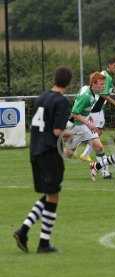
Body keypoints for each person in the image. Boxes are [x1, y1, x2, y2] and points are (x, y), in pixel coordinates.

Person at [13, 66, 72, 253]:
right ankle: (43, 243)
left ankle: (24, 231)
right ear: (69, 83)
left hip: (35, 151)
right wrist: (69, 136)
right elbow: (57, 131)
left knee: (49, 193)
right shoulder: (61, 102)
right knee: (53, 195)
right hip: (49, 153)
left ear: (54, 79)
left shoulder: (41, 98)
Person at [79, 57, 115, 162]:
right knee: (95, 132)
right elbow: (102, 93)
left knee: (97, 132)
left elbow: (112, 89)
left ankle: (84, 152)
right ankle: (84, 153)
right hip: (95, 108)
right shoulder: (105, 76)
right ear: (109, 65)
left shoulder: (107, 76)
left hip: (97, 108)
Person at [63, 72, 112, 180]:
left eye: (103, 84)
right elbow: (75, 113)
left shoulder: (91, 92)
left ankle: (105, 172)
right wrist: (89, 123)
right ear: (93, 84)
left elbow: (83, 109)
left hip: (83, 124)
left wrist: (88, 117)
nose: (103, 86)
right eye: (101, 84)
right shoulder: (86, 96)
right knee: (68, 153)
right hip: (75, 125)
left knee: (99, 147)